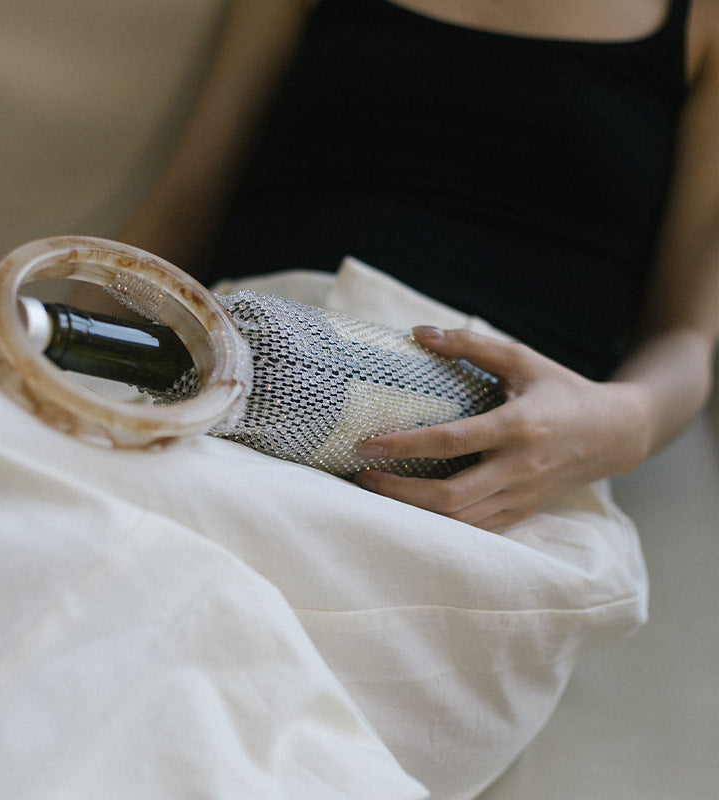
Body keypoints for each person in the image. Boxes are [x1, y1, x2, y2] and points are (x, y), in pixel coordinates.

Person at [99, 0, 719, 532]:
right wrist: (34, 327)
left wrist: (622, 426)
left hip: (483, 468)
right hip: (228, 376)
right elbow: (183, 208)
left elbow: (686, 335)